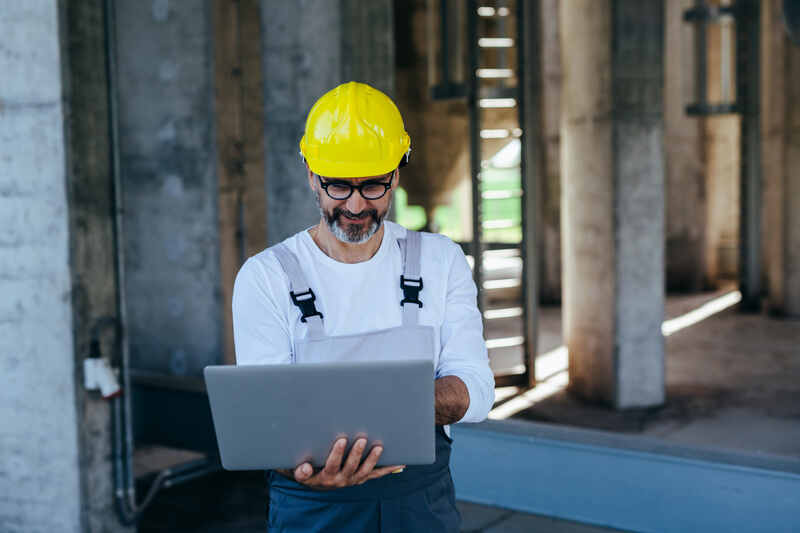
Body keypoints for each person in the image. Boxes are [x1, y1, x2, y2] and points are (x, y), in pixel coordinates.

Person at [232, 81, 494, 532]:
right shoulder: (266, 277)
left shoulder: (440, 260)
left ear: (397, 172)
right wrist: (315, 471)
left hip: (420, 505)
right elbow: (266, 423)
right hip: (312, 508)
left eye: (373, 185)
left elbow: (477, 388)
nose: (355, 205)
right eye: (338, 186)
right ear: (311, 174)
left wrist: (378, 408)